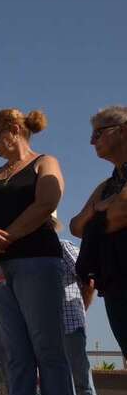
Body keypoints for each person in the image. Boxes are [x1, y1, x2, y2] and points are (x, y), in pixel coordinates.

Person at [0, 108, 74, 395]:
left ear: (14, 129)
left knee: (48, 349)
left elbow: (47, 201)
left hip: (36, 261)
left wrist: (4, 239)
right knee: (16, 352)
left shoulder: (45, 162)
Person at [71, 105, 127, 357]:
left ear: (123, 131)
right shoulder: (108, 184)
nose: (92, 141)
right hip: (115, 281)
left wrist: (96, 213)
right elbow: (75, 226)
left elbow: (120, 213)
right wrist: (103, 207)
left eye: (99, 133)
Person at [58, 238, 99, 395]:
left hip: (70, 324)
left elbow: (89, 280)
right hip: (49, 328)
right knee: (62, 384)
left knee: (81, 382)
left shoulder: (63, 246)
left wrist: (81, 309)